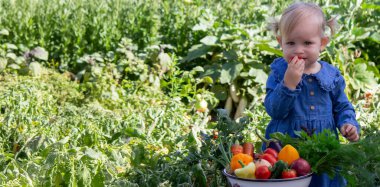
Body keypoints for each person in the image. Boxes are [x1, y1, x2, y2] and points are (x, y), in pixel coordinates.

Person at [264, 2, 360, 187]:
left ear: (322, 43)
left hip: (322, 150)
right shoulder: (278, 72)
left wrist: (348, 123)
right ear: (280, 42)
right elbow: (274, 111)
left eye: (307, 43)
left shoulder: (331, 75)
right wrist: (288, 84)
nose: (298, 50)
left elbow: (342, 107)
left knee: (324, 181)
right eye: (290, 43)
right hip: (286, 149)